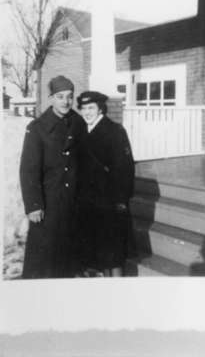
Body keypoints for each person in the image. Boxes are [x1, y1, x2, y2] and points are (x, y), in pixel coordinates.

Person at [19, 75, 85, 279]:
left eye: (69, 97)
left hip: (72, 201)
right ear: (50, 98)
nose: (65, 102)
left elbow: (84, 162)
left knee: (68, 260)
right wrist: (34, 205)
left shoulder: (78, 123)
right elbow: (28, 169)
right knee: (44, 260)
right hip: (47, 203)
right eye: (60, 96)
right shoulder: (37, 128)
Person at [72, 91, 136, 277]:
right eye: (83, 108)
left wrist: (121, 200)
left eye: (91, 107)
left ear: (101, 108)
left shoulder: (114, 131)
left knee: (112, 254)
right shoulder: (81, 130)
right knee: (95, 253)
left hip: (108, 202)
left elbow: (125, 169)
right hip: (86, 202)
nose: (87, 112)